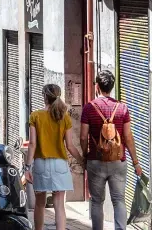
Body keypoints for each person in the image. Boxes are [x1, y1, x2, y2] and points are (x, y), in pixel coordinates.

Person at [80, 70, 142, 230]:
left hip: (95, 160)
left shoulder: (89, 108)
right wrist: (136, 162)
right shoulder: (122, 108)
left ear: (97, 87)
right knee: (119, 200)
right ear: (112, 87)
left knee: (96, 201)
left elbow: (83, 136)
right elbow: (128, 138)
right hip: (118, 161)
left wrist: (86, 155)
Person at [25, 84, 83, 230]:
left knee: (40, 203)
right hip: (60, 165)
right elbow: (70, 146)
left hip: (41, 164)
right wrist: (82, 161)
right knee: (59, 205)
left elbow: (32, 144)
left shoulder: (35, 116)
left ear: (44, 96)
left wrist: (27, 167)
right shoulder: (64, 117)